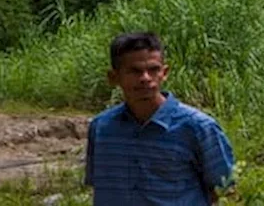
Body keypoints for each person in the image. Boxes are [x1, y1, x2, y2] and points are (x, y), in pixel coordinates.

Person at [85, 32, 236, 205]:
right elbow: (99, 186)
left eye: (153, 70)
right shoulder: (101, 128)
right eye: (135, 71)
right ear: (114, 77)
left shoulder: (199, 127)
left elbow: (225, 190)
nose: (145, 78)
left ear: (164, 73)